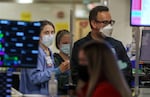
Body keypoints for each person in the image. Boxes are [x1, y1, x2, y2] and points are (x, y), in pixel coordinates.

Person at [71, 6, 132, 87]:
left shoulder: (117, 46)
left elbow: (127, 71)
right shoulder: (81, 46)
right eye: (105, 23)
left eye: (111, 22)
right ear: (94, 23)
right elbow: (76, 74)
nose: (109, 26)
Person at [19, 20, 70, 95]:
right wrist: (58, 70)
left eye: (52, 32)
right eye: (46, 32)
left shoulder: (49, 52)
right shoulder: (31, 52)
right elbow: (35, 78)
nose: (50, 35)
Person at [54, 29, 70, 95]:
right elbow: (56, 80)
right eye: (65, 43)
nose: (68, 45)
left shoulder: (74, 60)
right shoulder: (54, 60)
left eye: (70, 43)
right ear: (58, 44)